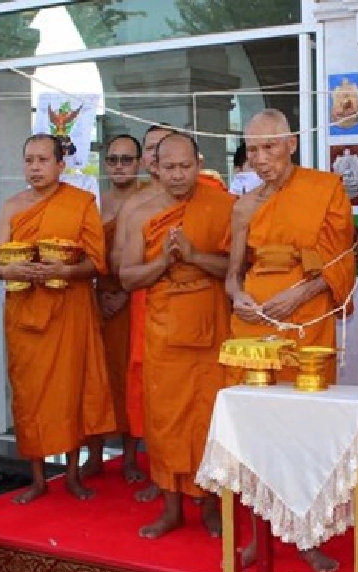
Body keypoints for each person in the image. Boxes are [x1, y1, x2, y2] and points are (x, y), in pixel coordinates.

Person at [225, 108, 355, 572]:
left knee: (304, 429)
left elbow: (341, 260)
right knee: (257, 430)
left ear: (292, 143)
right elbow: (232, 275)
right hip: (254, 325)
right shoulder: (244, 205)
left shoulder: (325, 189)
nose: (261, 159)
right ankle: (259, 533)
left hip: (305, 322)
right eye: (253, 150)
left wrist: (300, 293)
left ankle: (307, 535)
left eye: (270, 147)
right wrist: (238, 296)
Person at [0, 134, 116, 504]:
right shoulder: (12, 207)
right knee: (30, 395)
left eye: (43, 160)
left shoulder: (80, 203)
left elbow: (96, 262)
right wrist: (13, 271)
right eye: (29, 160)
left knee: (70, 391)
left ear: (61, 165)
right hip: (25, 313)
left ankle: (72, 474)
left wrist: (65, 270)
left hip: (68, 311)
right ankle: (38, 478)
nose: (35, 167)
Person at [118, 132, 232, 539]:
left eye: (186, 166)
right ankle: (171, 509)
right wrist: (164, 262)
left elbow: (237, 269)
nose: (178, 175)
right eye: (170, 167)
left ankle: (211, 507)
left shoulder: (222, 205)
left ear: (199, 164)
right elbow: (127, 276)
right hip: (164, 331)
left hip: (211, 329)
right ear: (155, 167)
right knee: (166, 422)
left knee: (208, 419)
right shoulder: (139, 210)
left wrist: (195, 256)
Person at [112, 125, 176, 505]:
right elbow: (119, 262)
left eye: (162, 148)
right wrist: (153, 261)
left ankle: (194, 477)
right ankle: (159, 471)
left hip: (193, 308)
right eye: (151, 148)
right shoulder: (136, 206)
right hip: (147, 303)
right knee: (149, 386)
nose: (156, 155)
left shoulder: (206, 195)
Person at [83, 133, 148, 483]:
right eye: (113, 160)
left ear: (139, 163)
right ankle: (94, 454)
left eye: (126, 159)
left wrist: (124, 293)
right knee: (96, 378)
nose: (119, 166)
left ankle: (130, 457)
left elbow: (151, 256)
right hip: (96, 300)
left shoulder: (148, 201)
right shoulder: (95, 204)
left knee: (129, 378)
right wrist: (98, 293)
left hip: (133, 300)